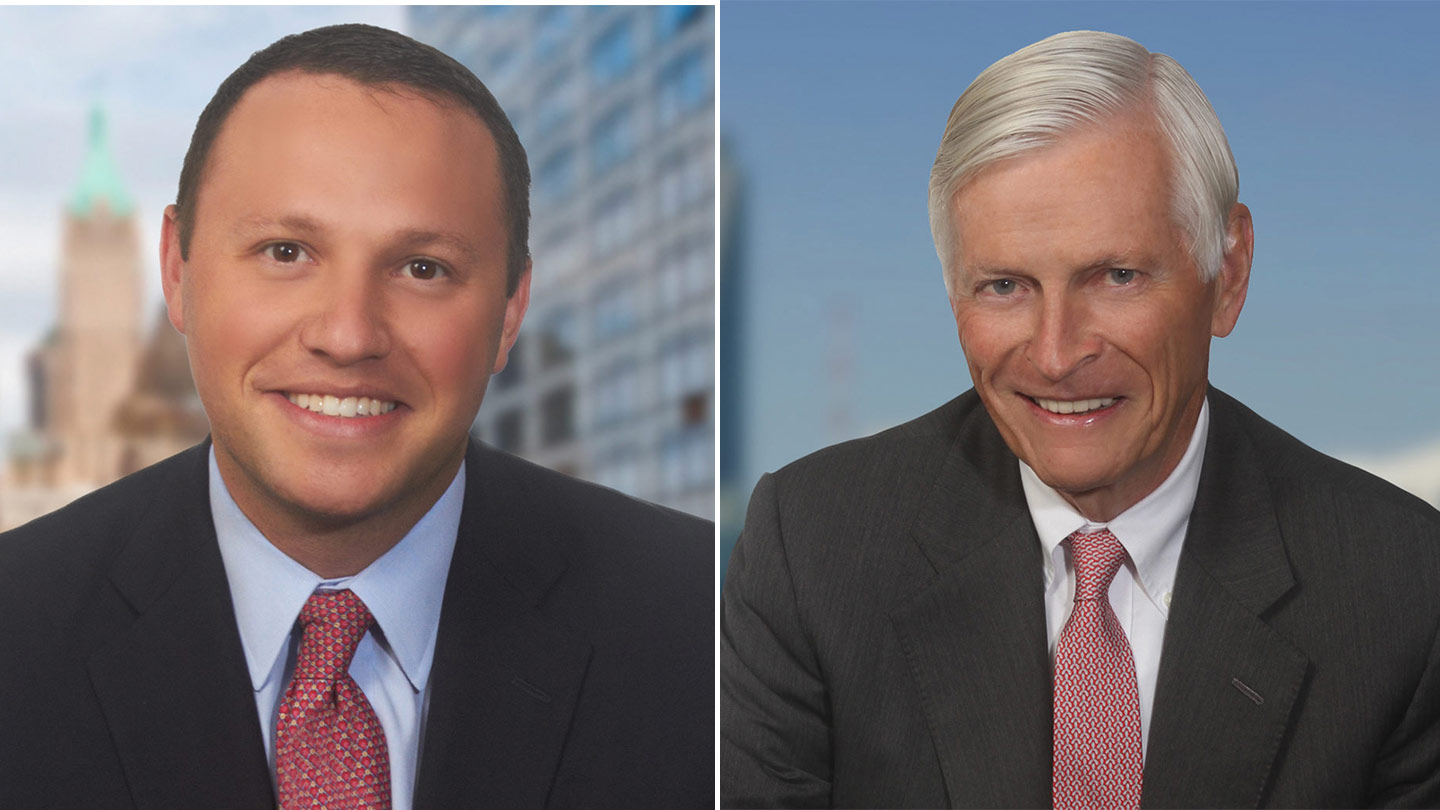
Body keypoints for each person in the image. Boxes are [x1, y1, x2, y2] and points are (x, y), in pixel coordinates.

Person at [721, 30, 1440, 809]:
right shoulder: (814, 549)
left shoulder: (1402, 589)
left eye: (1117, 276)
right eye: (1004, 286)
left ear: (1227, 274)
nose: (1057, 355)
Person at [0, 24, 711, 810]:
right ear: (178, 270)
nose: (346, 335)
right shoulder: (16, 629)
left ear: (510, 312)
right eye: (285, 252)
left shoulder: (709, 624)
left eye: (422, 268)